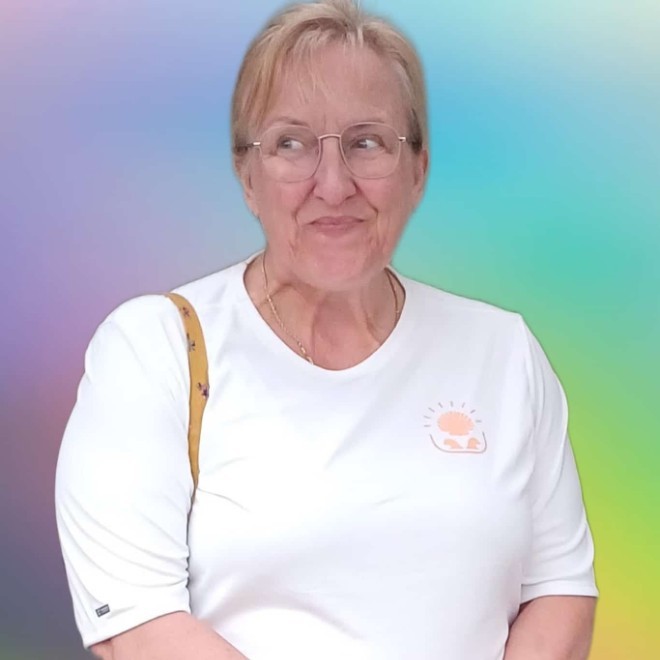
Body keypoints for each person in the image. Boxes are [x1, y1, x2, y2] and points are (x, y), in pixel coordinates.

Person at [55, 1, 598, 658]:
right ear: (246, 175)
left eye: (367, 142)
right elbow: (139, 626)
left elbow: (560, 590)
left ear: (418, 170)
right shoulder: (153, 350)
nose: (334, 185)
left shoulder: (502, 352)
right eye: (291, 144)